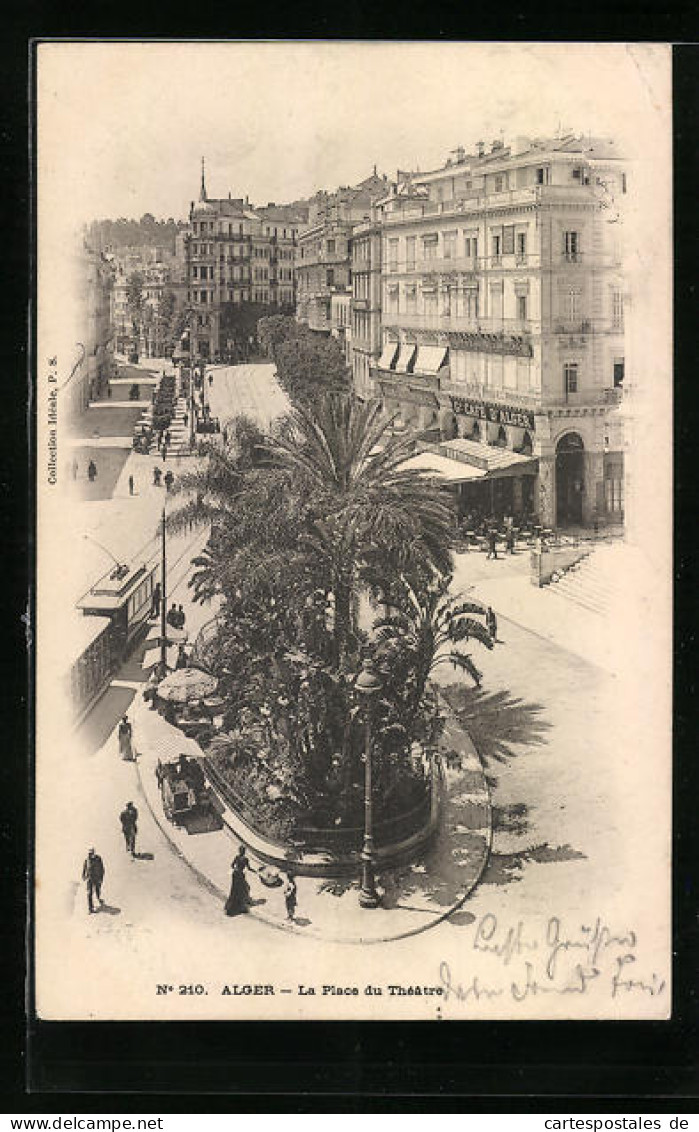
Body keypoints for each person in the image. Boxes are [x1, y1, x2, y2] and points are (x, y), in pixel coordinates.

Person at [224, 846, 253, 916]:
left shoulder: (237, 857)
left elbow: (232, 865)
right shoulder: (246, 859)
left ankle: (231, 906)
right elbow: (249, 868)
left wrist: (236, 869)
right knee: (242, 889)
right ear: (244, 852)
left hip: (235, 874)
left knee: (234, 890)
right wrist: (255, 871)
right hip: (240, 875)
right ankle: (241, 906)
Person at [82, 848, 105, 913]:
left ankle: (98, 897)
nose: (89, 855)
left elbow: (102, 868)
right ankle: (90, 908)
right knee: (89, 893)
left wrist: (101, 878)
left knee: (98, 889)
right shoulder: (87, 860)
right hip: (90, 879)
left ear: (94, 853)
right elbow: (84, 868)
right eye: (89, 854)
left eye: (91, 853)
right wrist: (83, 876)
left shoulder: (98, 859)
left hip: (97, 878)